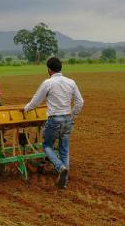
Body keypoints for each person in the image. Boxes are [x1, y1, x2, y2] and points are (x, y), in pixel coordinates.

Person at [24, 57, 84, 189]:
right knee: (64, 150)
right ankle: (64, 181)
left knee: (46, 146)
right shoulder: (71, 82)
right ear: (60, 68)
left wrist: (26, 109)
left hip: (54, 120)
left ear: (49, 70)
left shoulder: (48, 83)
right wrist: (72, 116)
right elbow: (80, 102)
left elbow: (36, 101)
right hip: (67, 119)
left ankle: (60, 167)